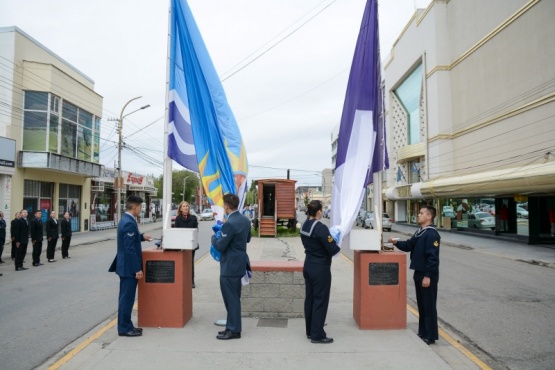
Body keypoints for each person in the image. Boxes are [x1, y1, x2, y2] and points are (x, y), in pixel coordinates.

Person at [388, 205, 440, 345]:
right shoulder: (420, 232)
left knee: (428, 305)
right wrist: (396, 242)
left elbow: (433, 258)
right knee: (422, 305)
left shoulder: (431, 234)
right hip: (419, 273)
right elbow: (408, 245)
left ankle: (430, 335)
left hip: (427, 275)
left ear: (429, 216)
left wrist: (428, 276)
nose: (418, 215)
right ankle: (423, 332)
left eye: (422, 213)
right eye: (419, 213)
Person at [109, 195, 152, 337]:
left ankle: (127, 325)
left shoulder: (127, 220)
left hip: (126, 267)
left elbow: (131, 240)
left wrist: (142, 236)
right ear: (135, 207)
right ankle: (124, 328)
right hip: (128, 268)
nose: (141, 209)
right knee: (127, 299)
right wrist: (137, 269)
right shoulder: (128, 222)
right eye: (140, 207)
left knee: (126, 298)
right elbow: (129, 249)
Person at [211, 194, 251, 340]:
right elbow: (248, 239)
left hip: (229, 266)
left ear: (227, 206)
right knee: (234, 298)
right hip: (239, 263)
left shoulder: (230, 223)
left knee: (231, 299)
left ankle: (234, 330)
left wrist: (214, 237)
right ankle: (230, 326)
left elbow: (220, 245)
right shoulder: (245, 220)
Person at [300, 200, 341, 344]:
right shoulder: (321, 228)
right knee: (320, 300)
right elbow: (333, 248)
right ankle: (318, 334)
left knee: (310, 299)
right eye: (322, 210)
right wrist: (336, 240)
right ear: (318, 212)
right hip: (320, 268)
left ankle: (310, 331)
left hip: (308, 264)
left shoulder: (305, 225)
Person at [174, 201, 199, 288]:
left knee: (190, 263)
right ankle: (182, 280)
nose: (185, 208)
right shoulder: (178, 219)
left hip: (191, 244)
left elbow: (196, 230)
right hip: (182, 244)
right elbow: (176, 231)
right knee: (182, 262)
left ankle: (191, 281)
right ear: (180, 209)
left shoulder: (193, 218)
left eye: (187, 206)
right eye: (183, 206)